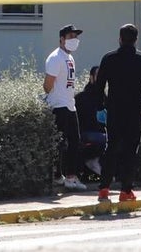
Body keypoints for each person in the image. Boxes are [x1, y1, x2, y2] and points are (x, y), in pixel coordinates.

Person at [94, 23, 141, 203]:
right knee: (131, 151)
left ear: (120, 38)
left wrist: (100, 108)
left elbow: (99, 86)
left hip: (114, 111)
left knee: (111, 148)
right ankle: (125, 191)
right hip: (136, 112)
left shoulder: (109, 59)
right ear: (136, 39)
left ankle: (104, 189)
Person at [44, 23, 85, 191]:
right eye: (70, 37)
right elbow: (47, 85)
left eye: (76, 37)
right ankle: (57, 176)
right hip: (58, 105)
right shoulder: (55, 58)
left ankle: (70, 176)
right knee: (60, 143)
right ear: (62, 39)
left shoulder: (70, 58)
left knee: (75, 141)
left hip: (70, 105)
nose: (74, 40)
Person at [75, 64, 106, 177]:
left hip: (101, 132)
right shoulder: (82, 97)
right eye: (98, 75)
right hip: (87, 132)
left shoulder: (105, 97)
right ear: (91, 77)